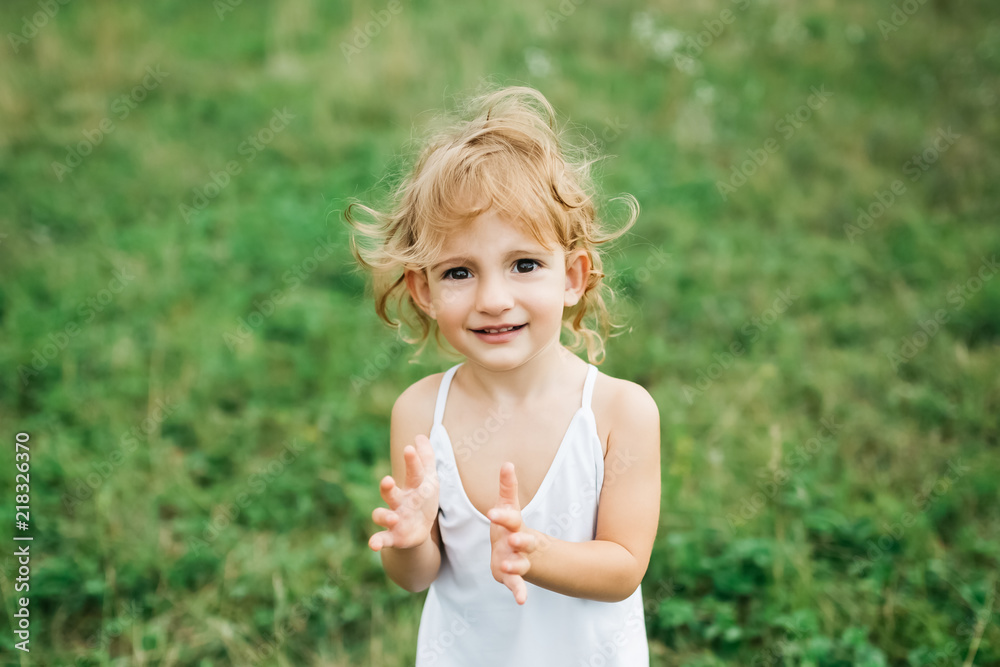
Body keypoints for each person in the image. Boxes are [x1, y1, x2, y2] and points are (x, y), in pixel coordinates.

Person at [347, 85, 660, 666]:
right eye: (459, 271)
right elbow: (416, 577)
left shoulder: (620, 413)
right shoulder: (420, 414)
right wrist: (411, 543)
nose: (494, 299)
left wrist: (533, 553)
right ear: (424, 290)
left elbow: (623, 567)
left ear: (572, 276)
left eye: (524, 265)